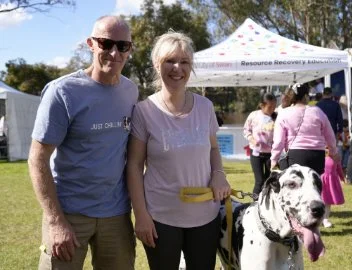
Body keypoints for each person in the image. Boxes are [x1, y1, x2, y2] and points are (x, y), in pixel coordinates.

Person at [28, 16, 138, 270]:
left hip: (116, 214)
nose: (114, 52)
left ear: (129, 49)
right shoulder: (62, 92)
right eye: (106, 43)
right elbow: (37, 159)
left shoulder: (130, 91)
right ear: (91, 43)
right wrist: (55, 221)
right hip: (69, 213)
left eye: (122, 46)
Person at [126, 31, 231, 270]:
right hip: (160, 217)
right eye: (170, 61)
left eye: (184, 62)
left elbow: (214, 148)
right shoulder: (144, 111)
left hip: (206, 214)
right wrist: (141, 215)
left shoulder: (205, 107)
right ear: (156, 64)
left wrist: (219, 174)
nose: (177, 68)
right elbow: (133, 166)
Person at [271, 83, 338, 175]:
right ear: (306, 96)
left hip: (295, 154)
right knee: (315, 187)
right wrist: (333, 152)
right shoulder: (317, 111)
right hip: (317, 155)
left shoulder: (283, 114)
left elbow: (278, 141)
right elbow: (330, 136)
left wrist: (274, 159)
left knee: (294, 187)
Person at [243, 92, 277, 198]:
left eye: (274, 106)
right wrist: (252, 140)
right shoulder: (254, 115)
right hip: (256, 153)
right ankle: (254, 204)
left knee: (269, 180)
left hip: (270, 154)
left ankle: (267, 203)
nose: (272, 109)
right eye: (270, 107)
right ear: (262, 105)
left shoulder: (276, 117)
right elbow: (246, 130)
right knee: (259, 180)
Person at [321, 151, 345, 228]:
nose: (328, 149)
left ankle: (325, 219)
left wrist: (342, 177)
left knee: (327, 202)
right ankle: (318, 219)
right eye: (326, 147)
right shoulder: (319, 156)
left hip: (331, 182)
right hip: (321, 181)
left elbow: (339, 168)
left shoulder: (336, 157)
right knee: (319, 201)